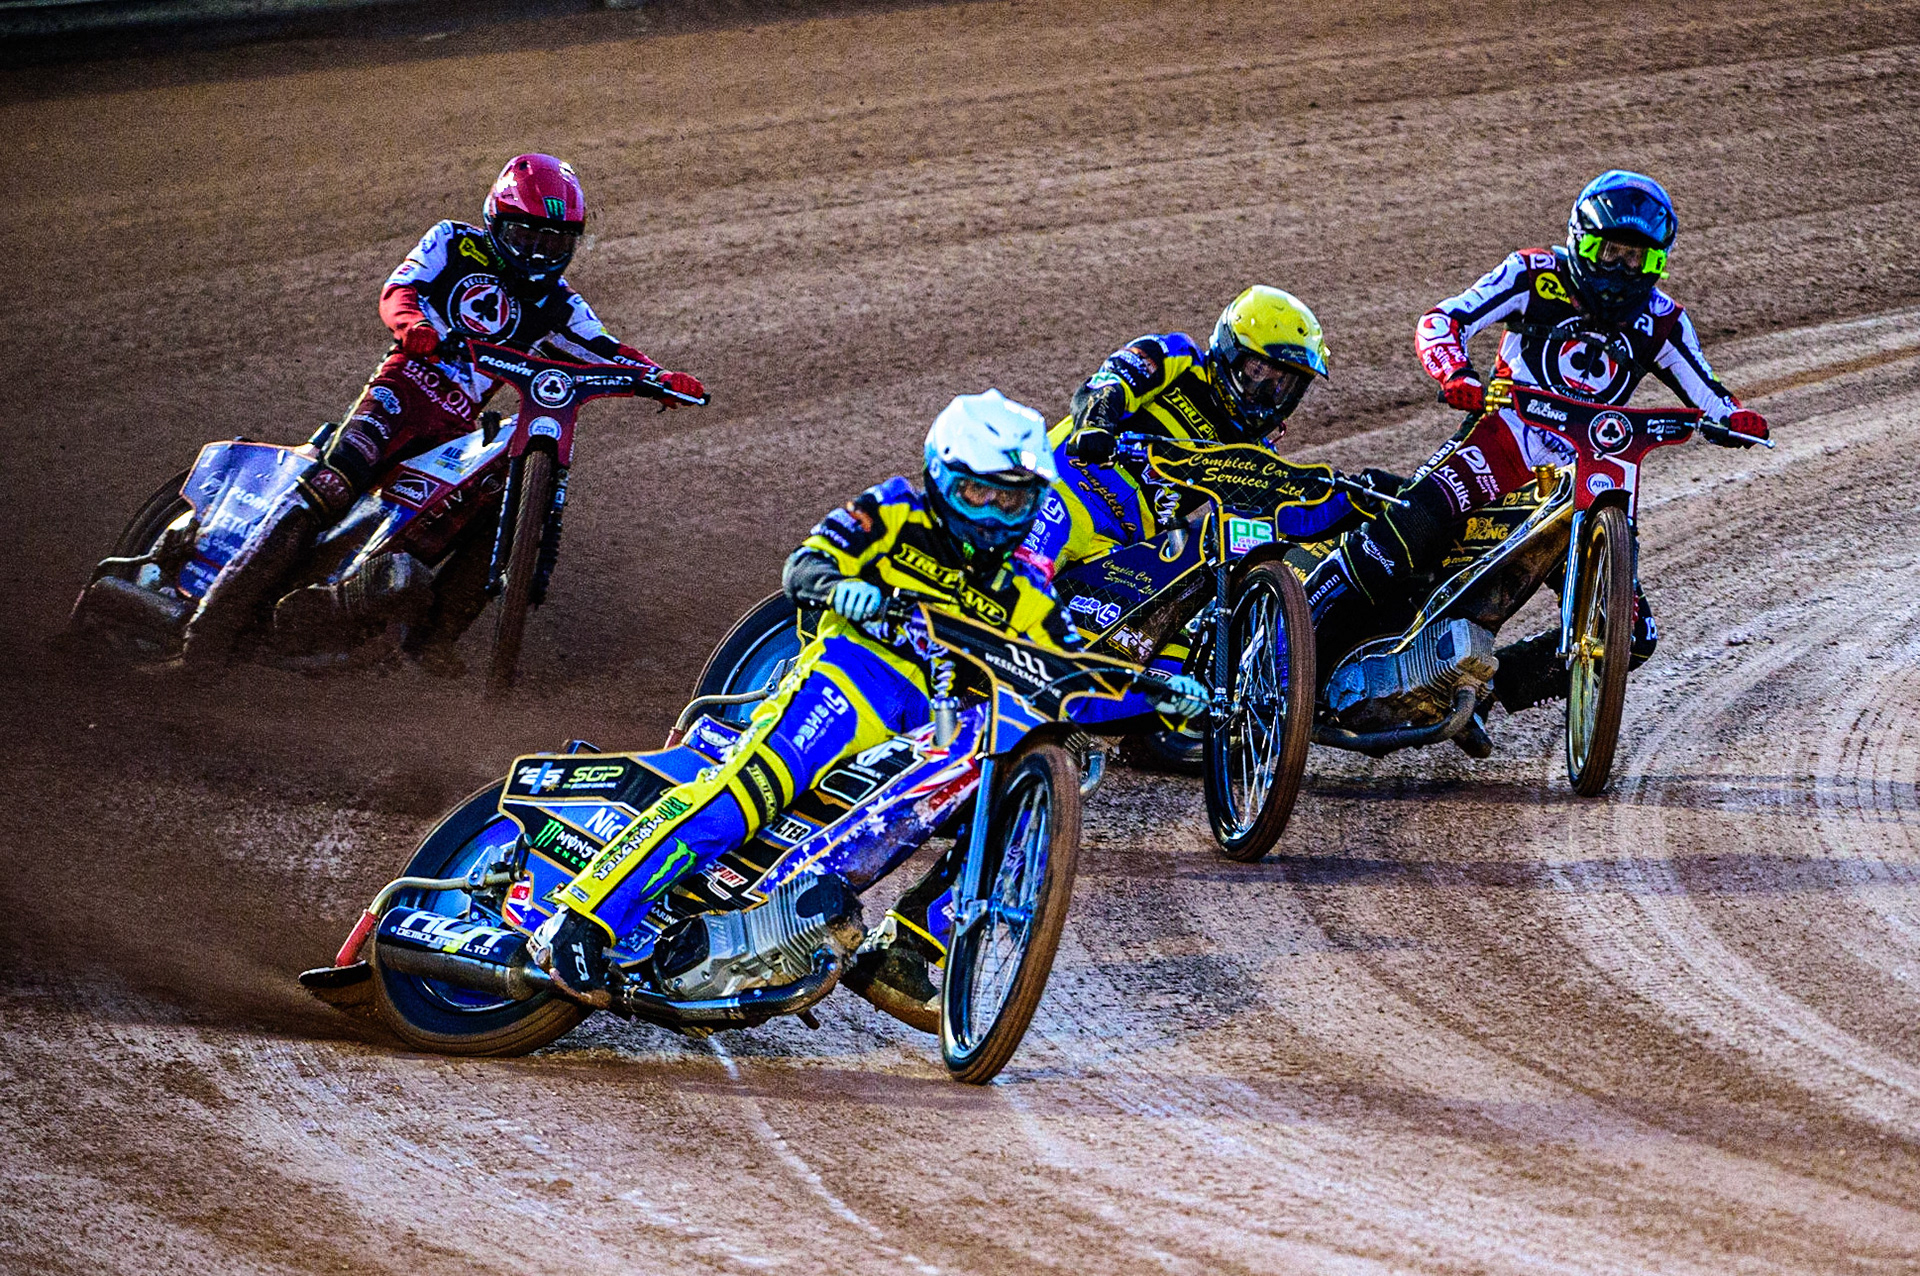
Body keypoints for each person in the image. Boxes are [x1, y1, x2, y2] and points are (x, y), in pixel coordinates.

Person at [526, 390, 1208, 1025]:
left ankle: (907, 946)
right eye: (978, 494)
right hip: (847, 685)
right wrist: (840, 590)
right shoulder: (891, 510)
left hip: (931, 725)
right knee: (747, 792)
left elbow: (1067, 663)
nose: (995, 517)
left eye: (1013, 502)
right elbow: (805, 565)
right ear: (942, 476)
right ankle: (584, 918)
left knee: (1009, 788)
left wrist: (1158, 694)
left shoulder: (1023, 579)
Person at [176, 153, 707, 666]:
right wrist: (415, 328)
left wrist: (658, 378)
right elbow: (399, 289)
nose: (541, 253)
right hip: (398, 393)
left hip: (453, 433)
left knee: (504, 507)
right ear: (496, 221)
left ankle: (433, 641)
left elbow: (605, 348)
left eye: (555, 240)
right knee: (332, 485)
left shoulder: (559, 303)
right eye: (527, 236)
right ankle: (202, 640)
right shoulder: (452, 242)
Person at [1302, 170, 1771, 710]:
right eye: (1609, 251)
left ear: (1658, 263)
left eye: (1636, 258)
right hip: (1501, 443)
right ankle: (1294, 645)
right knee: (1406, 531)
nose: (1620, 270)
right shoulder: (1532, 274)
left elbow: (1708, 394)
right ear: (1579, 240)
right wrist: (1455, 373)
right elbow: (1442, 320)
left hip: (1584, 476)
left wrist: (1737, 419)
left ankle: (1483, 687)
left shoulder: (1663, 321)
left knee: (1631, 634)